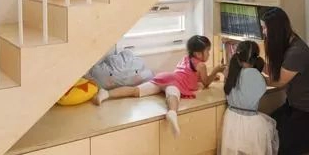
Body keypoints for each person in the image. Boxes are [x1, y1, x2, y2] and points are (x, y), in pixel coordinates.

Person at [94, 35, 223, 136]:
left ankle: (106, 93)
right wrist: (216, 70)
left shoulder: (186, 58)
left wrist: (211, 77)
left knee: (136, 90)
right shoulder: (201, 65)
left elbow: (192, 75)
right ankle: (172, 113)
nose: (209, 54)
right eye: (208, 51)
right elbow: (205, 83)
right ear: (198, 54)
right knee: (172, 97)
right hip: (175, 84)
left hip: (166, 77)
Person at [261, 7, 309, 155]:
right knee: (267, 133)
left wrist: (253, 76)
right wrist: (255, 65)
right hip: (294, 106)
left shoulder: (296, 52)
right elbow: (274, 71)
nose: (263, 32)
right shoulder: (287, 45)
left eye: (265, 28)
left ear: (276, 30)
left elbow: (278, 82)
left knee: (281, 147)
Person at [219, 40, 279, 155]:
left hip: (231, 118)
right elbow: (261, 90)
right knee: (271, 126)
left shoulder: (231, 72)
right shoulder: (257, 75)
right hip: (251, 120)